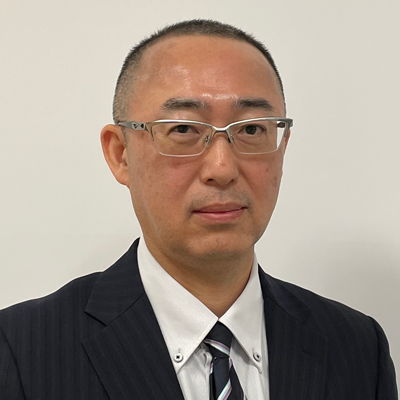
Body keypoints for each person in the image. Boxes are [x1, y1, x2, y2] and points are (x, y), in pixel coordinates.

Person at [0, 19, 397, 400]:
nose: (222, 169)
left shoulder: (357, 348)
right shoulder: (21, 350)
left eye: (252, 129)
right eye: (184, 129)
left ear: (282, 147)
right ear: (120, 154)